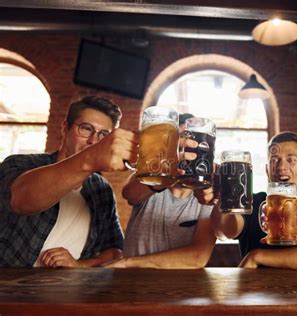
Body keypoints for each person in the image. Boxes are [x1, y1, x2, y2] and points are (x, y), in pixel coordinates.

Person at [0, 96, 139, 268]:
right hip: (9, 288)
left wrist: (79, 265)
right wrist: (89, 159)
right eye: (86, 129)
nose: (94, 141)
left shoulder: (101, 189)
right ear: (65, 128)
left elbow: (114, 250)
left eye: (104, 135)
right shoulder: (20, 164)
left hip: (66, 291)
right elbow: (21, 200)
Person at [197, 131, 297, 270]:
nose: (281, 166)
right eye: (274, 160)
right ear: (267, 169)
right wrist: (223, 200)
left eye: (291, 160)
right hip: (256, 296)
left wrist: (258, 257)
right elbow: (225, 231)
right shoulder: (252, 201)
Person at [106, 113, 216, 269]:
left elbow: (197, 257)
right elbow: (130, 194)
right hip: (134, 284)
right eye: (180, 143)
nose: (186, 150)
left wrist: (128, 262)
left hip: (180, 288)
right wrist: (167, 169)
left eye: (192, 144)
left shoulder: (206, 193)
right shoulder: (153, 175)